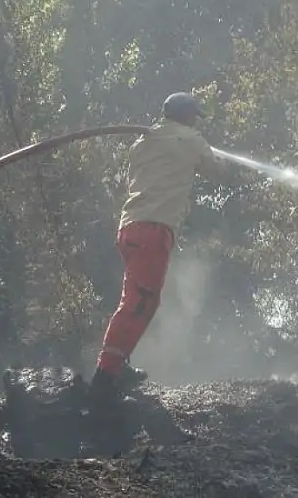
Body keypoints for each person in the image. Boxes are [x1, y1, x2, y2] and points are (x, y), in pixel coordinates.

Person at [88, 92, 222, 403]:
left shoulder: (142, 142)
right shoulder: (190, 138)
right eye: (194, 116)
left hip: (130, 227)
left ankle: (118, 365)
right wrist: (218, 158)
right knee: (140, 302)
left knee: (136, 297)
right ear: (187, 116)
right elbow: (215, 170)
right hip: (154, 229)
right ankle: (105, 377)